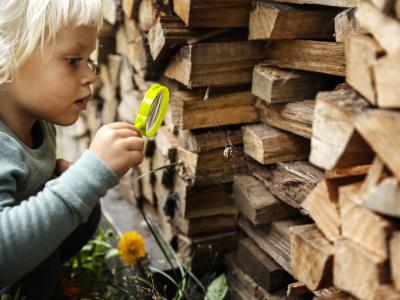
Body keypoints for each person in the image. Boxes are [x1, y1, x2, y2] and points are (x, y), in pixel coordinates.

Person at [0, 1, 144, 299]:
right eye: (72, 60)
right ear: (8, 55)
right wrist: (85, 179)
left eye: (89, 60)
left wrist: (55, 182)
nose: (91, 75)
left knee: (87, 210)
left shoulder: (37, 121)